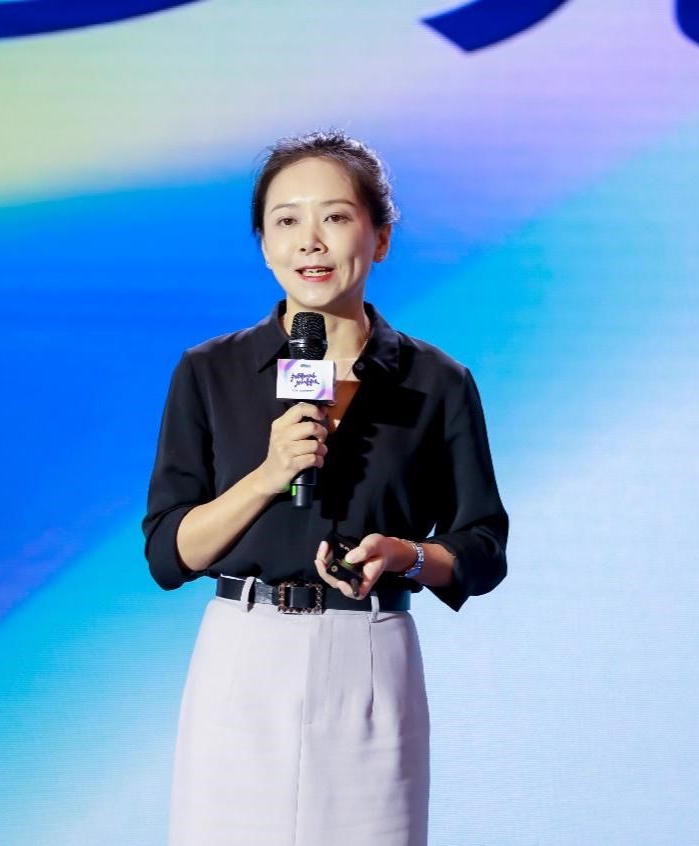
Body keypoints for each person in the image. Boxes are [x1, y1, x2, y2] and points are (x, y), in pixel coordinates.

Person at [142, 130, 508, 846]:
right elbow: (167, 554)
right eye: (286, 220)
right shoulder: (210, 372)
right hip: (243, 657)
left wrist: (405, 555)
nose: (310, 240)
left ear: (380, 238)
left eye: (336, 217)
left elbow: (483, 548)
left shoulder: (438, 382)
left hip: (369, 654)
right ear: (265, 245)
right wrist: (268, 476)